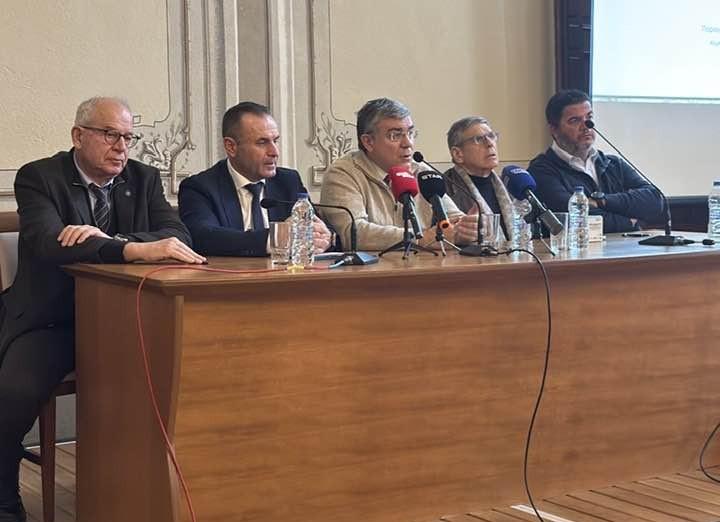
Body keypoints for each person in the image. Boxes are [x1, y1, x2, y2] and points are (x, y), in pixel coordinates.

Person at [0, 96, 205, 522]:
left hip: (126, 319)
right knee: (14, 391)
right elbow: (49, 242)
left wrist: (110, 240)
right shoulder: (39, 176)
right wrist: (132, 249)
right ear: (78, 136)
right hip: (54, 319)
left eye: (128, 137)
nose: (121, 147)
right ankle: (3, 495)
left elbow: (176, 234)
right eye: (110, 134)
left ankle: (139, 490)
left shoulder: (143, 177)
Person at [320, 98, 478, 251]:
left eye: (410, 133)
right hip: (372, 268)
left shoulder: (422, 172)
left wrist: (467, 228)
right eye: (395, 135)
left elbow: (453, 219)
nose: (408, 143)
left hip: (420, 265)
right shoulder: (343, 173)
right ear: (368, 142)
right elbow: (354, 233)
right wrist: (420, 239)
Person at [178, 102, 333, 256]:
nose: (274, 152)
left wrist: (325, 238)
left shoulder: (288, 181)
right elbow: (203, 236)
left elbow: (316, 228)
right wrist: (275, 238)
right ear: (231, 147)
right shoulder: (200, 187)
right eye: (262, 142)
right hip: (229, 272)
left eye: (275, 141)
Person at [528, 89, 664, 233]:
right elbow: (575, 218)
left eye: (589, 117)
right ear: (554, 130)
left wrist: (601, 201)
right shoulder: (541, 170)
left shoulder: (613, 164)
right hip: (575, 247)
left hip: (623, 246)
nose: (586, 126)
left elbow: (655, 200)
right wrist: (628, 222)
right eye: (574, 121)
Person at [444, 116, 516, 242]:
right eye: (479, 139)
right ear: (458, 154)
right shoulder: (444, 189)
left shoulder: (510, 185)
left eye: (491, 136)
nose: (490, 143)